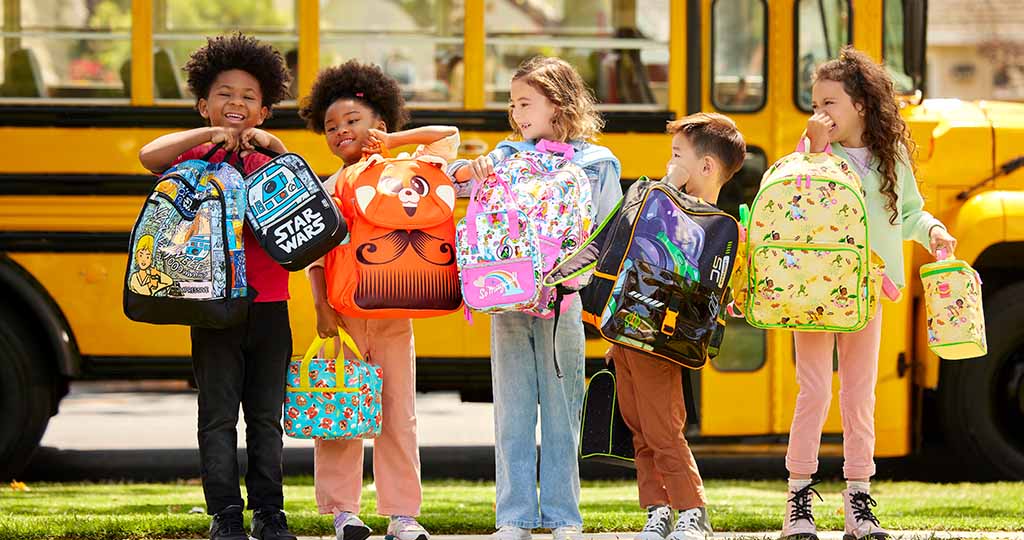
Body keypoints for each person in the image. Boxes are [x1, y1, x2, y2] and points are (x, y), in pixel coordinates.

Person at [781, 46, 957, 540]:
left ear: (860, 105)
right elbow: (798, 199)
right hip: (813, 288)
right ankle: (798, 499)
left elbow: (912, 213)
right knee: (813, 390)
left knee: (859, 395)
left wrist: (935, 232)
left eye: (830, 103)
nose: (819, 113)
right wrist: (813, 147)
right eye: (815, 103)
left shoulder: (890, 155)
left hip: (867, 289)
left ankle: (858, 499)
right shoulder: (812, 151)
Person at [449, 56, 622, 540]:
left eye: (526, 102)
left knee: (563, 410)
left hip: (562, 301)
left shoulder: (597, 163)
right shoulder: (504, 155)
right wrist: (470, 167)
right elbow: (457, 182)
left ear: (558, 104)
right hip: (504, 299)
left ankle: (565, 516)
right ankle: (515, 517)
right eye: (512, 104)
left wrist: (569, 280)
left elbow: (606, 235)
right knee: (513, 409)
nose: (516, 113)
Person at [137, 33, 296, 540]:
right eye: (225, 94)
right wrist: (202, 137)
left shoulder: (268, 157)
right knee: (218, 415)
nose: (237, 104)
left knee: (268, 418)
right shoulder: (193, 158)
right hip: (212, 304)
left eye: (250, 98)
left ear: (265, 111)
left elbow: (300, 185)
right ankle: (225, 511)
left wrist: (268, 145)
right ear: (204, 104)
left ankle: (270, 511)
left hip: (270, 303)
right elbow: (148, 154)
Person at [298, 59, 460, 540]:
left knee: (397, 414)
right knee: (340, 411)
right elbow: (315, 256)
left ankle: (402, 514)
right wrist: (323, 308)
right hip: (344, 315)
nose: (340, 131)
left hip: (395, 313)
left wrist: (392, 145)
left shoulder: (407, 171)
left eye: (352, 121)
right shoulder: (328, 185)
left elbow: (448, 134)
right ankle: (343, 511)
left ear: (380, 125)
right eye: (330, 127)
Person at [609, 112, 746, 540]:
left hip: (661, 337)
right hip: (629, 326)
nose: (669, 164)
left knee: (662, 427)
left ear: (706, 167)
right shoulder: (660, 201)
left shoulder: (709, 224)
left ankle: (692, 508)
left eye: (677, 156)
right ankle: (658, 508)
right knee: (639, 427)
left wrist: (667, 182)